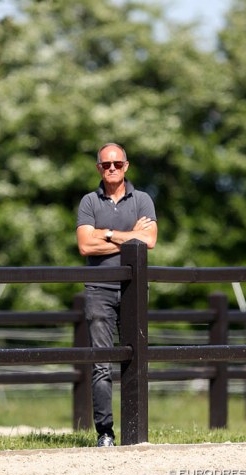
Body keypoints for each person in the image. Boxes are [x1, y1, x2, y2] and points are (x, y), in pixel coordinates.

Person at [76, 142, 158, 447]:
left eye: (117, 164)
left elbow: (149, 241)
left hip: (134, 289)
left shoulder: (143, 200)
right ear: (98, 168)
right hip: (99, 290)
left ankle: (136, 431)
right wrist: (128, 238)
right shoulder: (88, 202)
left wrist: (107, 233)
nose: (112, 168)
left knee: (136, 360)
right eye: (106, 164)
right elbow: (85, 246)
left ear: (127, 166)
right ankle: (105, 433)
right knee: (101, 362)